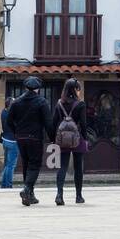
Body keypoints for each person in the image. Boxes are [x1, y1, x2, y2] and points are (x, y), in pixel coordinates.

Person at [7, 77, 51, 206]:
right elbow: (48, 122)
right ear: (38, 88)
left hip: (21, 137)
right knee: (35, 164)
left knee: (26, 164)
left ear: (25, 87)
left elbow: (9, 121)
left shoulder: (16, 102)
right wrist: (52, 137)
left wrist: (16, 132)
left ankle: (30, 195)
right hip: (35, 137)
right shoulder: (42, 102)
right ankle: (27, 189)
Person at [50, 78, 87, 206]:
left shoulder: (59, 103)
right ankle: (78, 196)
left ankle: (59, 195)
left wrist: (52, 139)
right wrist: (85, 138)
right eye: (79, 89)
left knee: (62, 167)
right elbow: (84, 123)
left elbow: (54, 122)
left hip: (62, 139)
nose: (80, 91)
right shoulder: (80, 104)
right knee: (78, 168)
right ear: (76, 89)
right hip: (78, 138)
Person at [0, 96, 18, 189]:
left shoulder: (3, 111)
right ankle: (8, 185)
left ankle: (4, 184)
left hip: (5, 140)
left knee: (7, 164)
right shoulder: (11, 115)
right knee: (11, 165)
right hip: (12, 141)